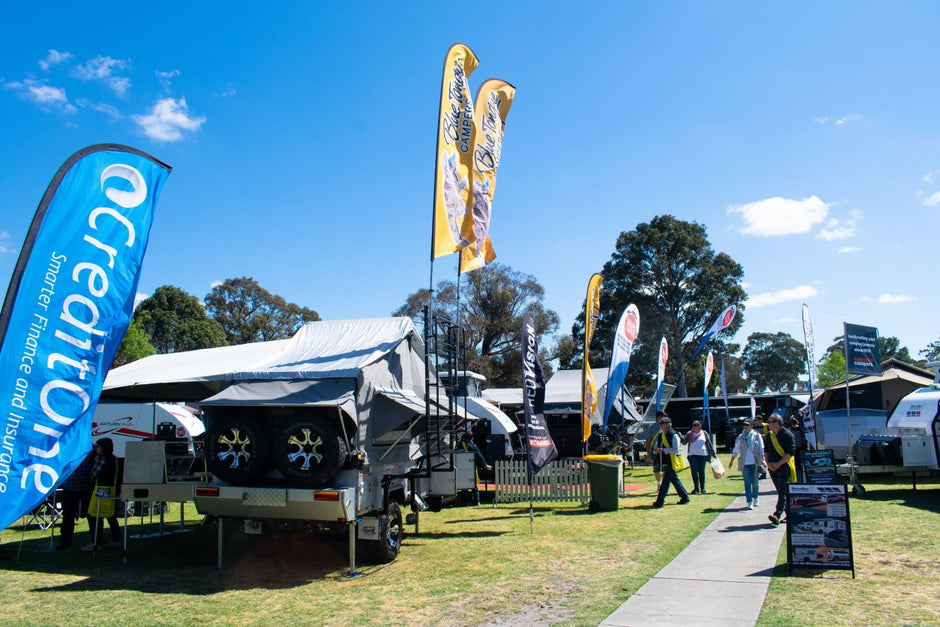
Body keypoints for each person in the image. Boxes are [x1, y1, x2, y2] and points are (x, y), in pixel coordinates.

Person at [55, 444, 96, 551]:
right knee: (68, 515)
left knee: (91, 515)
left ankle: (95, 540)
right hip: (71, 486)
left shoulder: (92, 448)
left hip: (86, 486)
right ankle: (65, 541)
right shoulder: (68, 446)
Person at [84, 438, 122, 550]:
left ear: (104, 448)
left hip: (101, 491)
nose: (97, 449)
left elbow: (93, 474)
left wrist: (95, 463)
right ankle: (116, 539)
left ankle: (96, 542)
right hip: (112, 490)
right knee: (111, 516)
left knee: (94, 516)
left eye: (99, 447)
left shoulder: (103, 459)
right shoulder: (114, 459)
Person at [764, 413, 796, 526]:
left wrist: (778, 464)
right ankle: (790, 514)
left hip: (783, 468)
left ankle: (777, 514)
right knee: (781, 492)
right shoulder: (769, 435)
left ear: (777, 423)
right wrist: (769, 464)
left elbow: (790, 452)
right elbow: (766, 451)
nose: (768, 424)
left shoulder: (787, 435)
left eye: (770, 422)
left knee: (782, 491)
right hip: (772, 468)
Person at [651, 415, 690, 508]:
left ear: (668, 425)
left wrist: (663, 450)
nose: (661, 426)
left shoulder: (674, 434)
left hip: (672, 461)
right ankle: (685, 497)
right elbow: (656, 445)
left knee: (665, 482)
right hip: (664, 460)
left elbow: (676, 449)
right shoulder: (661, 435)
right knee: (674, 480)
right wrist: (656, 450)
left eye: (662, 424)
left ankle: (660, 502)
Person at [729, 419, 764, 509]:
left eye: (747, 425)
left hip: (755, 462)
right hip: (745, 463)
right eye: (744, 425)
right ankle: (749, 501)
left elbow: (761, 448)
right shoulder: (741, 437)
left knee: (755, 482)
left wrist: (763, 460)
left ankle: (756, 498)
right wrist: (731, 461)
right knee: (747, 483)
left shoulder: (756, 435)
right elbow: (736, 450)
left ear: (751, 426)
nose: (746, 427)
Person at [458, 427, 491, 506]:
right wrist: (485, 465)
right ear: (472, 438)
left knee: (464, 486)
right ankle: (477, 501)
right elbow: (479, 456)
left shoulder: (460, 445)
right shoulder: (473, 446)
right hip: (472, 467)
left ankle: (466, 502)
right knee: (474, 485)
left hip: (462, 467)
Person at [682, 420, 714, 494]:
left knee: (701, 471)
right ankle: (696, 487)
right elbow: (684, 443)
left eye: (696, 425)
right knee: (694, 470)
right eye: (694, 425)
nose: (695, 427)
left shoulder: (704, 433)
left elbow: (709, 443)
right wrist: (681, 438)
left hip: (703, 455)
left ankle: (702, 488)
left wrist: (713, 454)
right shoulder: (690, 433)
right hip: (692, 455)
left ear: (700, 426)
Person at [645, 411, 667, 490]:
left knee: (665, 469)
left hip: (665, 451)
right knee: (656, 468)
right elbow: (648, 440)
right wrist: (648, 453)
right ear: (659, 417)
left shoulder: (667, 426)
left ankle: (663, 485)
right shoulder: (652, 427)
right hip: (655, 451)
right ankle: (659, 483)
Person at [790, 413, 807, 483]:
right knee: (799, 457)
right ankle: (799, 467)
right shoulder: (800, 428)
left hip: (794, 444)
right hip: (799, 444)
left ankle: (796, 466)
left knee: (795, 456)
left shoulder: (790, 429)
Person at [752, 414, 768, 479]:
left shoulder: (766, 426)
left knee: (765, 459)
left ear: (760, 420)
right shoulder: (754, 428)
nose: (755, 421)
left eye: (756, 420)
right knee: (759, 460)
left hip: (766, 444)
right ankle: (762, 472)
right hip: (757, 446)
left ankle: (764, 471)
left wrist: (762, 436)